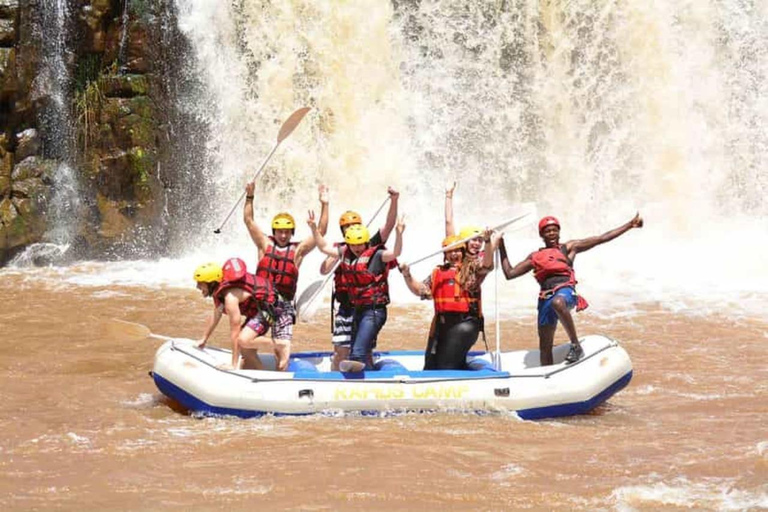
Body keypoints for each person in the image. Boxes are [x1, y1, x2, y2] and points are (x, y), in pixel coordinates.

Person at [494, 213, 644, 366]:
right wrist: (501, 245)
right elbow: (510, 273)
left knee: (558, 303)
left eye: (554, 230)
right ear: (541, 235)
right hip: (545, 298)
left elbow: (601, 238)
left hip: (565, 292)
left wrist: (629, 225)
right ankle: (548, 379)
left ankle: (575, 345)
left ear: (559, 232)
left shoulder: (569, 248)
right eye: (547, 231)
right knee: (545, 347)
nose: (551, 233)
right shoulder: (535, 256)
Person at [243, 181, 329, 371]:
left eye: (287, 232)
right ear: (274, 232)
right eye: (280, 232)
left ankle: (279, 373)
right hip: (262, 305)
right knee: (244, 344)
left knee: (282, 355)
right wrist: (250, 196)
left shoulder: (297, 251)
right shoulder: (264, 244)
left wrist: (324, 204)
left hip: (283, 307)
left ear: (292, 233)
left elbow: (321, 232)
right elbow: (249, 221)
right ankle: (260, 374)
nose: (283, 235)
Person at [308, 211, 405, 372]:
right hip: (358, 310)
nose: (357, 248)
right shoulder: (346, 252)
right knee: (355, 351)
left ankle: (359, 387)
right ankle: (364, 380)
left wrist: (399, 233)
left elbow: (395, 253)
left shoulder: (377, 255)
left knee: (358, 353)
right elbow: (324, 247)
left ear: (366, 242)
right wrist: (313, 228)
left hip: (374, 311)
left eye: (360, 245)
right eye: (353, 245)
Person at [400, 232, 494, 369]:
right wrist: (407, 275)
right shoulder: (437, 272)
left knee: (446, 365)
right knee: (430, 365)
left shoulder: (472, 268)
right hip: (442, 324)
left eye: (457, 251)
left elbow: (487, 264)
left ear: (463, 252)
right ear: (445, 254)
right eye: (450, 251)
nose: (454, 254)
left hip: (465, 323)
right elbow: (420, 290)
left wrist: (488, 242)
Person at [194, 258, 278, 370]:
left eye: (200, 284)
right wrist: (204, 339)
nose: (197, 287)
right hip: (257, 311)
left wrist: (233, 365)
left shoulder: (230, 298)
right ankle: (263, 373)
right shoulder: (219, 293)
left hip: (271, 308)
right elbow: (216, 315)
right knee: (246, 351)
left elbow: (235, 330)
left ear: (211, 283)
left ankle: (280, 344)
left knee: (242, 340)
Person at [445, 181, 484, 257]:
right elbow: (448, 221)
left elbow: (493, 243)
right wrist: (448, 195)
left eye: (480, 241)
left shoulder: (482, 256)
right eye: (474, 239)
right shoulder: (456, 253)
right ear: (465, 241)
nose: (477, 243)